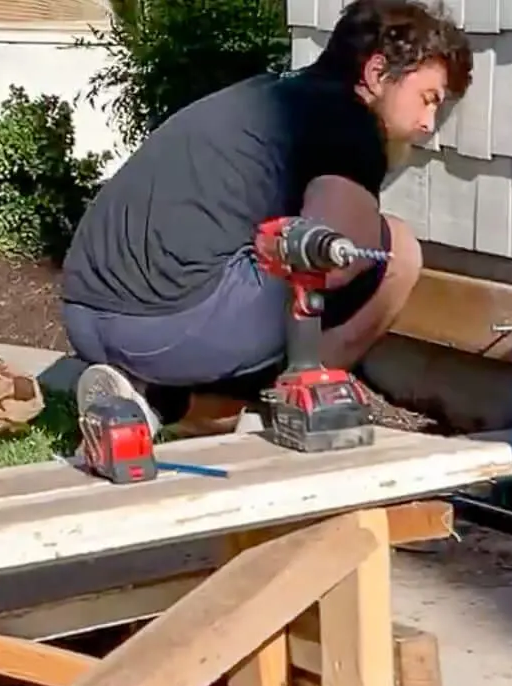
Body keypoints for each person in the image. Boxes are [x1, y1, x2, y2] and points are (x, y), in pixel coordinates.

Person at [60, 0, 471, 437]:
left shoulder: (272, 93)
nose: (429, 124)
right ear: (375, 73)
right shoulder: (349, 121)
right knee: (397, 251)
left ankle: (168, 403)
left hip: (84, 315)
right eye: (427, 100)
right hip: (164, 331)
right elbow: (335, 258)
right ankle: (300, 408)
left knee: (268, 256)